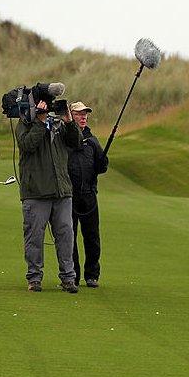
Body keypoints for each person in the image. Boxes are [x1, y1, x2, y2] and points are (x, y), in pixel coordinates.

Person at [16, 99, 82, 293]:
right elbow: (27, 145)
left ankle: (68, 278)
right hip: (36, 191)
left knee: (66, 235)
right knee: (34, 236)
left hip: (61, 190)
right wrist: (39, 122)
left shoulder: (60, 125)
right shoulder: (25, 124)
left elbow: (77, 142)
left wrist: (69, 122)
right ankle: (34, 278)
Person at [67, 101, 109, 288]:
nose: (83, 117)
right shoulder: (64, 139)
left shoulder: (92, 141)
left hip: (89, 195)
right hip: (69, 196)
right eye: (79, 114)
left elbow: (102, 168)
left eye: (85, 114)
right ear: (71, 116)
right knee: (70, 237)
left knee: (92, 236)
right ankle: (72, 275)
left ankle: (92, 275)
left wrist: (102, 161)